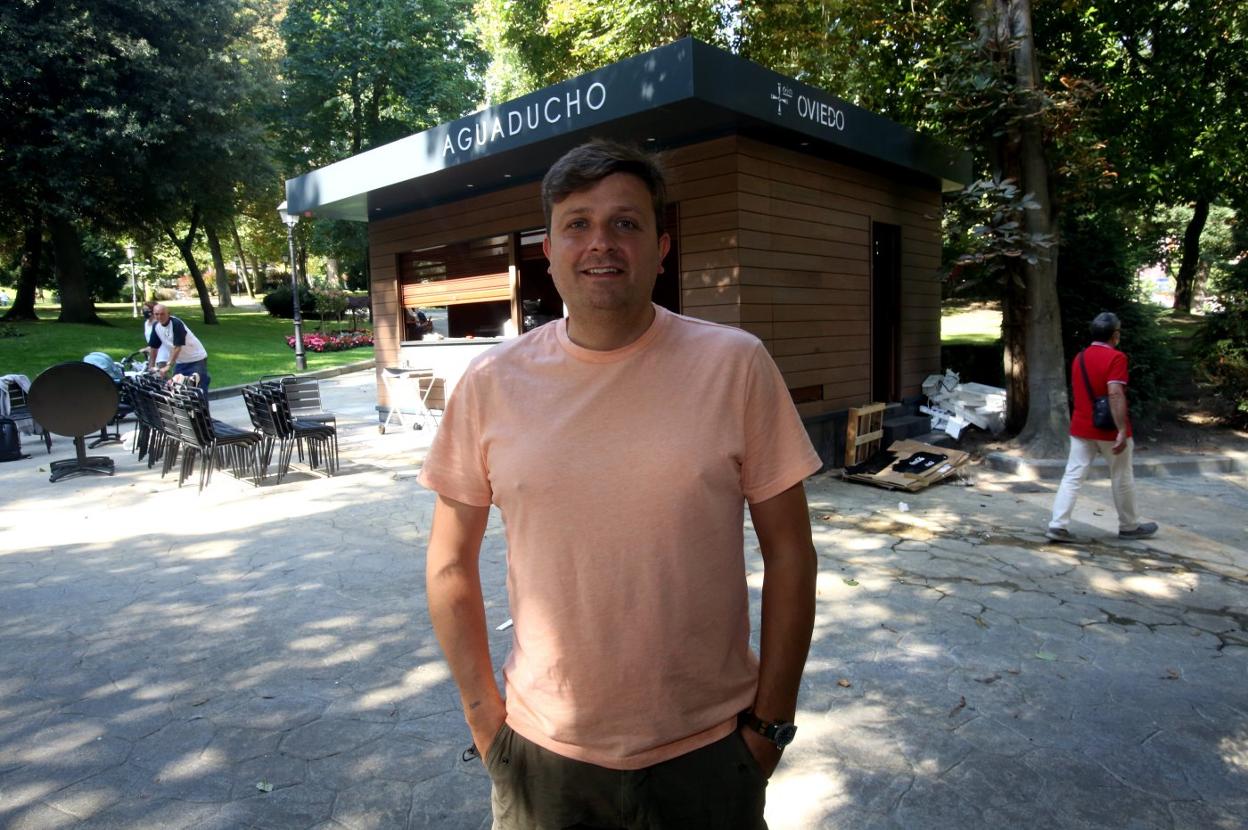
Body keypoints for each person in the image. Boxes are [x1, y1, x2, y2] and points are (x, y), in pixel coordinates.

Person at [420, 140, 822, 828]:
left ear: (661, 247)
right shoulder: (491, 383)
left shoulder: (735, 365)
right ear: (549, 249)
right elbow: (448, 562)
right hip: (544, 758)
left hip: (709, 752)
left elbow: (791, 553)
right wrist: (486, 721)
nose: (600, 243)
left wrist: (770, 726)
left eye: (625, 223)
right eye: (577, 223)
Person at [1047, 312, 1158, 542]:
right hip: (1109, 429)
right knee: (1121, 476)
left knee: (1073, 476)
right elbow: (1115, 394)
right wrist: (1121, 429)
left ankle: (1058, 525)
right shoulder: (1116, 358)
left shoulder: (1080, 358)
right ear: (1115, 335)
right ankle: (1129, 526)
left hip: (1081, 426)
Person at [146, 303, 211, 391]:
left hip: (196, 359)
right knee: (176, 389)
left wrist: (168, 366)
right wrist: (151, 367)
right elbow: (154, 348)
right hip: (180, 362)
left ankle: (202, 396)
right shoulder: (156, 326)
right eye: (156, 314)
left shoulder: (176, 323)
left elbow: (177, 347)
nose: (159, 317)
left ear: (168, 314)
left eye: (162, 314)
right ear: (153, 314)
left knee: (197, 389)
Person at [142, 302, 172, 369]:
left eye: (147, 310)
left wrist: (150, 348)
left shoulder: (159, 324)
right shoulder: (146, 323)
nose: (144, 312)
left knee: (160, 373)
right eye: (143, 310)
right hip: (153, 353)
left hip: (162, 354)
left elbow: (164, 339)